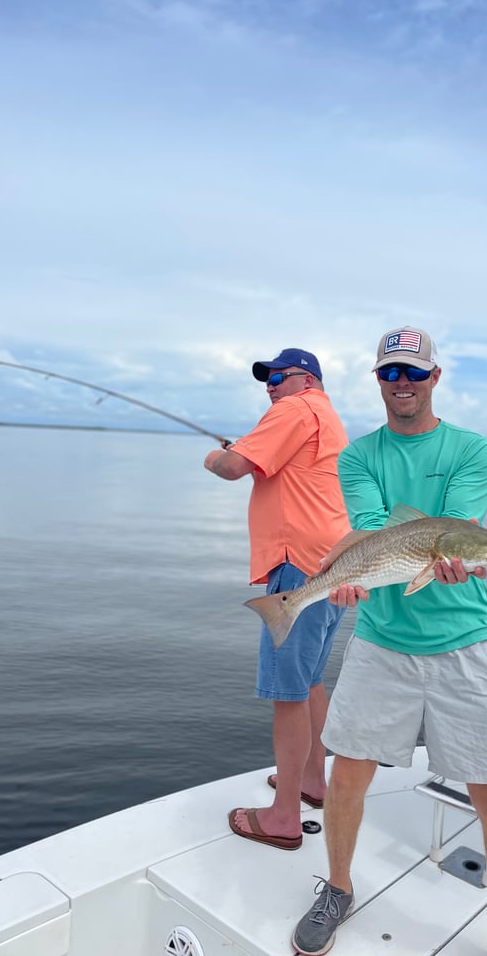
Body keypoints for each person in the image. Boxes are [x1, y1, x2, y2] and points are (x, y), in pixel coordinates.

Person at [292, 326, 487, 956]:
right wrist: (342, 579)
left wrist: (464, 554)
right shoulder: (359, 456)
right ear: (378, 380)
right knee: (346, 778)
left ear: (435, 377)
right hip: (379, 641)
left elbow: (460, 530)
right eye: (390, 373)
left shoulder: (469, 449)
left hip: (463, 645)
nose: (403, 383)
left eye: (414, 372)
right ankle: (338, 888)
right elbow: (371, 533)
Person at [204, 347, 350, 851]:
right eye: (264, 379)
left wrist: (215, 455)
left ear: (306, 379)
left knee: (287, 692)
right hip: (331, 568)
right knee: (309, 682)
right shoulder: (327, 417)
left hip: (298, 571)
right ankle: (313, 782)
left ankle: (284, 816)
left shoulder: (293, 409)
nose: (268, 386)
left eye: (277, 376)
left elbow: (232, 466)